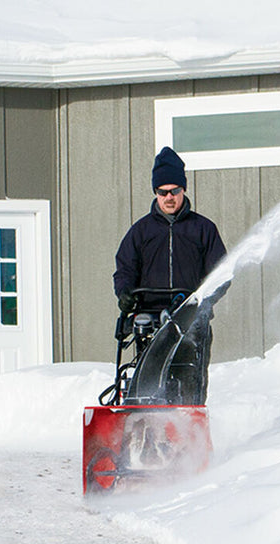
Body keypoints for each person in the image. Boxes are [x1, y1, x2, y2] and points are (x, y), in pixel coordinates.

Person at [113, 146, 227, 402]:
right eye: (163, 192)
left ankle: (189, 429)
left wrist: (202, 303)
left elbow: (222, 274)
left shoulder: (203, 229)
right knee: (148, 382)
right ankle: (141, 420)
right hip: (151, 318)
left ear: (183, 190)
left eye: (174, 190)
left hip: (191, 319)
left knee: (189, 381)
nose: (169, 197)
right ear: (156, 193)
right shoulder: (141, 232)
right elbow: (125, 270)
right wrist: (125, 294)